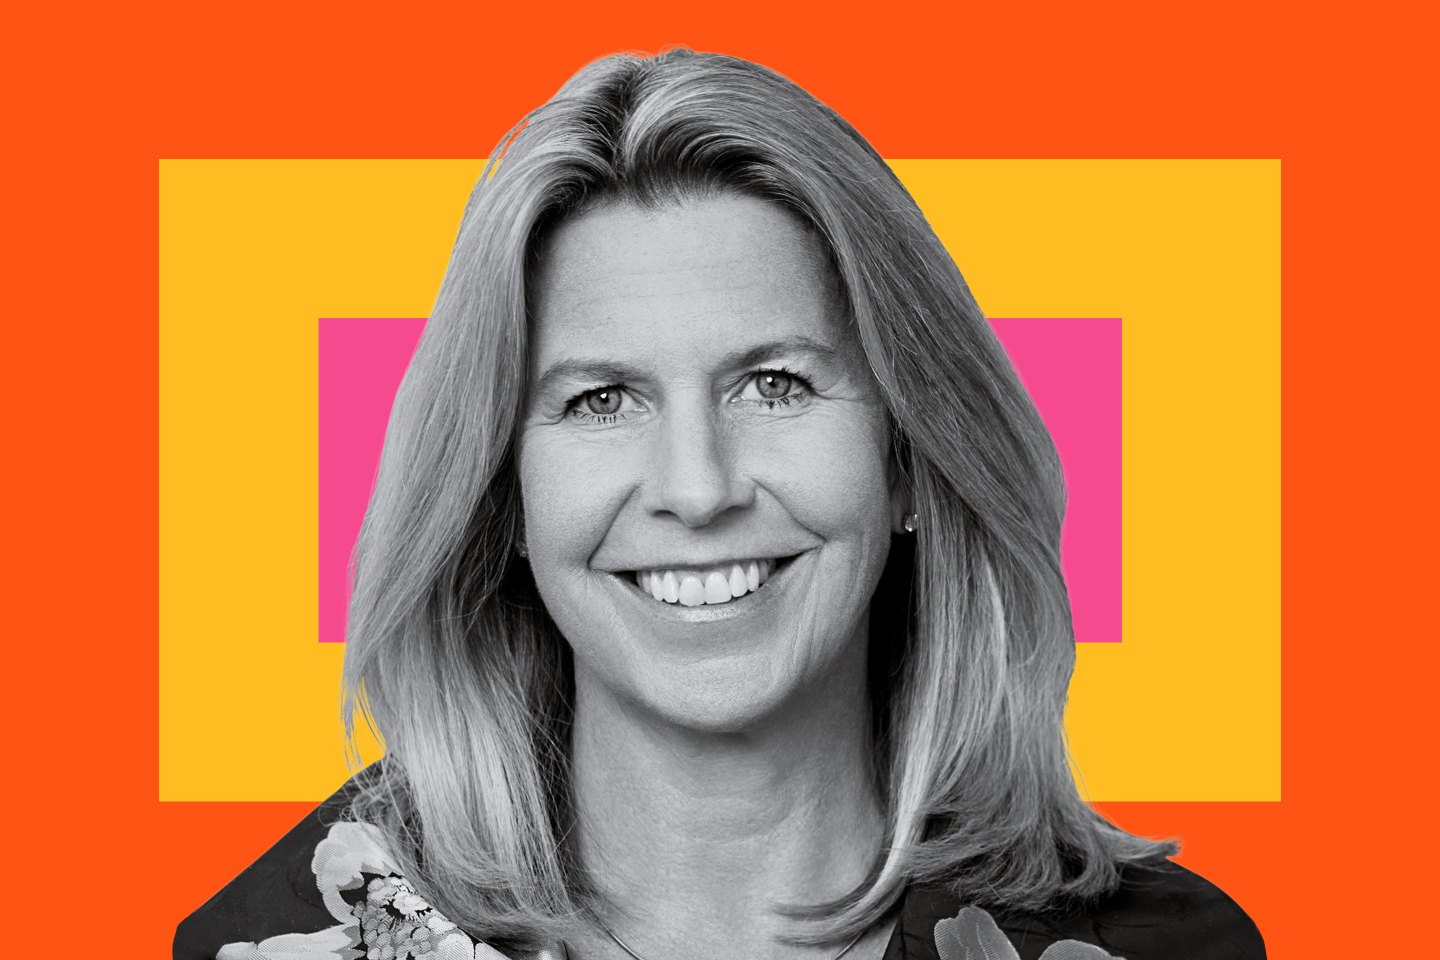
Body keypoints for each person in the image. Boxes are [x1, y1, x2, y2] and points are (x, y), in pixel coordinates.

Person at [175, 49, 1265, 960]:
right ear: (503, 495)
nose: (697, 490)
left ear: (909, 456)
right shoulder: (280, 939)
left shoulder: (1170, 950)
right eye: (601, 400)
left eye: (775, 385)